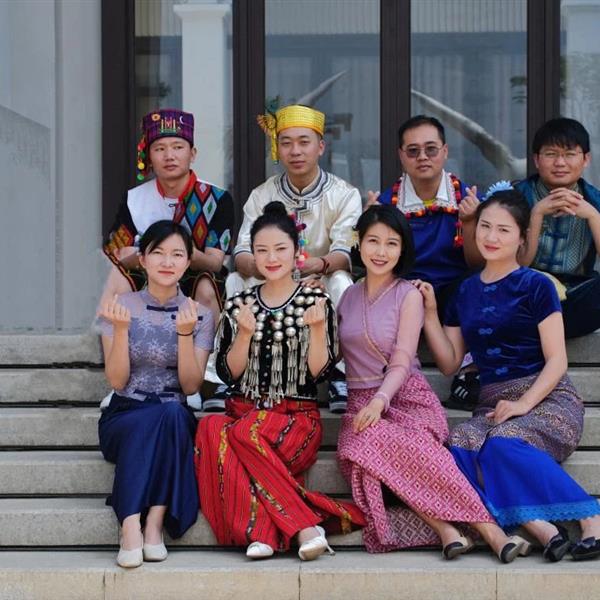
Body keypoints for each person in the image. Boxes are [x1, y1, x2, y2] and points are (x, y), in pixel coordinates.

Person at [416, 189, 600, 562]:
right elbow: (450, 364)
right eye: (485, 226)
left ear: (521, 238)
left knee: (502, 443)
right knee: (459, 446)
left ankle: (591, 519)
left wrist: (523, 404)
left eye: (503, 230)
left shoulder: (537, 285)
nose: (491, 237)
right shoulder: (464, 291)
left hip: (548, 399)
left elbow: (557, 360)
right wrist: (431, 314)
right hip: (493, 405)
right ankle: (543, 529)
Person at [336, 205, 527, 562]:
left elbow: (402, 359)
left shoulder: (407, 294)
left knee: (392, 446)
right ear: (359, 243)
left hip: (406, 399)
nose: (381, 252)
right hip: (359, 405)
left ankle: (488, 531)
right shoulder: (346, 297)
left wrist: (380, 401)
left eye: (391, 243)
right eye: (373, 241)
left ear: (403, 249)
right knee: (362, 449)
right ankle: (447, 530)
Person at [195, 201, 365, 561]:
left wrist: (316, 330)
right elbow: (228, 374)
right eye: (261, 250)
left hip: (294, 418)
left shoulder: (315, 299)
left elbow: (319, 373)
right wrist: (243, 335)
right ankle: (274, 531)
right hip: (245, 411)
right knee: (210, 428)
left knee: (244, 433)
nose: (271, 258)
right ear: (253, 256)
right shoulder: (239, 303)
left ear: (296, 251)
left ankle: (289, 529)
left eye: (279, 249)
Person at [218, 104, 362, 413]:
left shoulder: (344, 194)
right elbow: (242, 251)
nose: (295, 151)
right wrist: (271, 269)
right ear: (277, 148)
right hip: (269, 279)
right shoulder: (262, 195)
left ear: (320, 146)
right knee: (234, 280)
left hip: (318, 281)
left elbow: (345, 251)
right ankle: (230, 373)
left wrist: (319, 266)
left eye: (304, 142)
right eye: (286, 143)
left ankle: (340, 374)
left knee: (342, 282)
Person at [97, 221, 214, 568]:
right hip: (125, 414)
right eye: (158, 253)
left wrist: (185, 334)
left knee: (174, 413)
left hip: (172, 415)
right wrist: (121, 331)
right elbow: (117, 381)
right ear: (142, 259)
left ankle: (153, 522)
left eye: (177, 254)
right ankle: (132, 523)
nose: (167, 261)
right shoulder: (119, 306)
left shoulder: (200, 314)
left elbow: (190, 387)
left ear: (188, 262)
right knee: (164, 418)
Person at [101, 108, 233, 410]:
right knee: (116, 278)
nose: (169, 156)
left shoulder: (216, 198)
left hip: (194, 272)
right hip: (148, 271)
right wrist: (152, 256)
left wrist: (180, 253)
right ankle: (118, 378)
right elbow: (118, 251)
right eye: (159, 149)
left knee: (206, 288)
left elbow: (215, 261)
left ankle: (207, 377)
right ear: (149, 156)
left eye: (177, 147)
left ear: (192, 153)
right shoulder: (135, 198)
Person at [369, 115, 483, 411]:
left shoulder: (467, 199)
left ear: (445, 151)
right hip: (407, 291)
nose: (422, 157)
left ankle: (469, 370)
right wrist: (371, 228)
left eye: (431, 149)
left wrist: (470, 222)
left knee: (478, 284)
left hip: (454, 293)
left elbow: (476, 262)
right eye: (413, 150)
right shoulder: (388, 203)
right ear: (401, 155)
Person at [514, 117, 600, 339]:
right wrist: (536, 214)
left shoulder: (596, 200)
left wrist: (592, 215)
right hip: (523, 293)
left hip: (576, 296)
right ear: (536, 159)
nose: (560, 163)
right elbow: (516, 264)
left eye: (570, 154)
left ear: (586, 159)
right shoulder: (514, 197)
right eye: (551, 154)